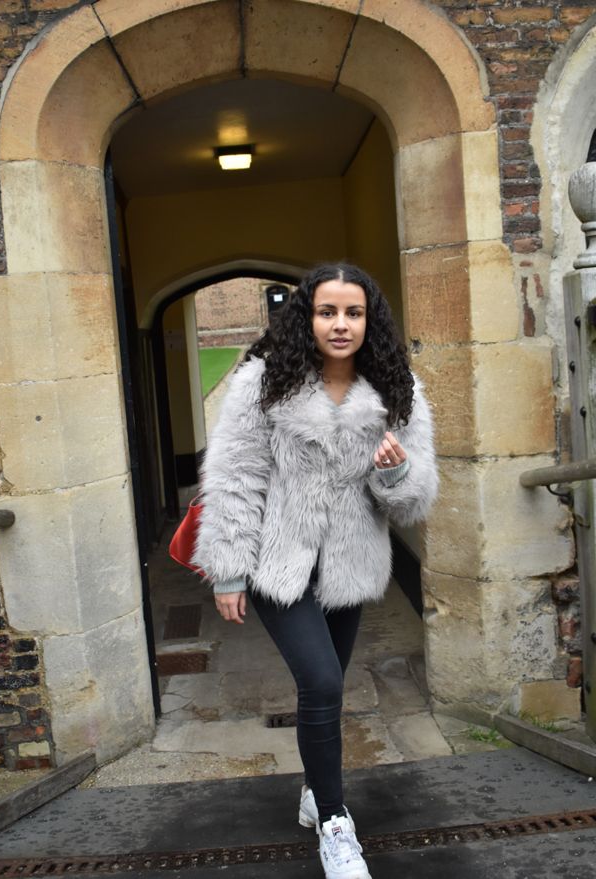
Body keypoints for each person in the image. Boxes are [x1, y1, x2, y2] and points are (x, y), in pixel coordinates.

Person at [193, 263, 438, 879]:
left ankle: (313, 786)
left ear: (368, 321)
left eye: (352, 313)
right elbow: (235, 478)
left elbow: (413, 501)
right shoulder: (262, 384)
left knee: (320, 690)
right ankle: (335, 821)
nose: (340, 324)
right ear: (307, 317)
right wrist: (227, 569)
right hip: (281, 563)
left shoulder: (396, 389)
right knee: (325, 685)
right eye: (327, 311)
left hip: (351, 567)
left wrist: (392, 472)